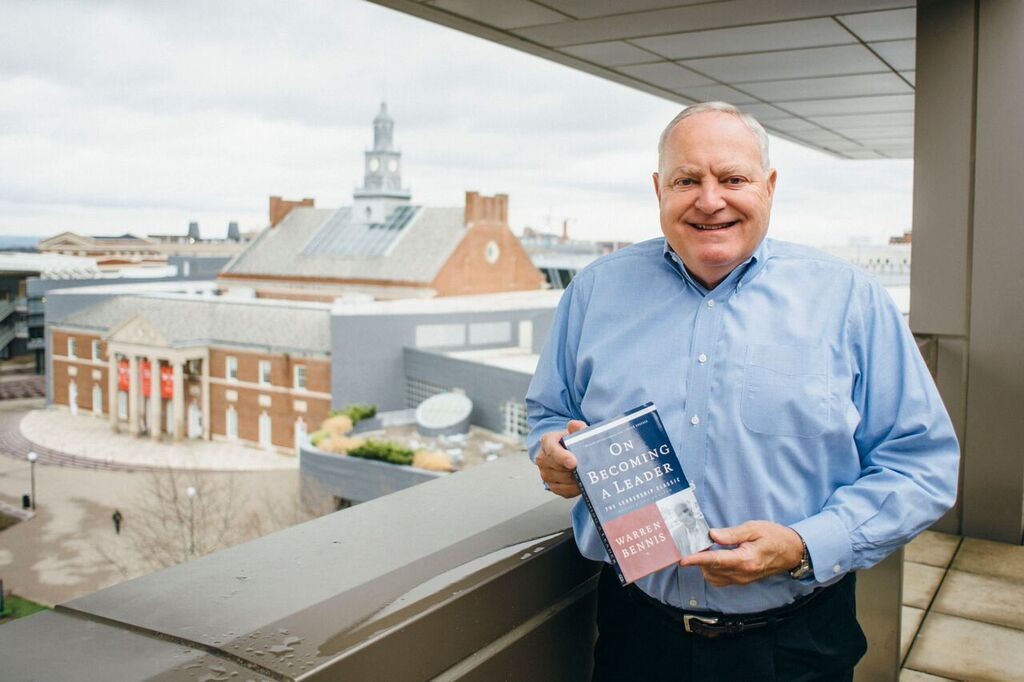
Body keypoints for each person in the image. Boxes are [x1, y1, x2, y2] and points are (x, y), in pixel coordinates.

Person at [526, 101, 959, 681]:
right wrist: (552, 448)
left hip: (796, 645)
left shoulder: (850, 300)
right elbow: (550, 412)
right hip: (637, 636)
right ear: (659, 189)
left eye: (733, 178)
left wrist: (805, 545)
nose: (710, 200)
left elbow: (922, 465)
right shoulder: (594, 292)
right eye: (687, 180)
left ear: (769, 186)